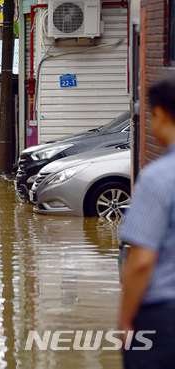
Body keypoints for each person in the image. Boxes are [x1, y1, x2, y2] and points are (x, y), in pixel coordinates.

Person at [118, 72, 175, 368]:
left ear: (162, 114)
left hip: (164, 318)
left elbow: (141, 262)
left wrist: (125, 319)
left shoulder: (158, 178)